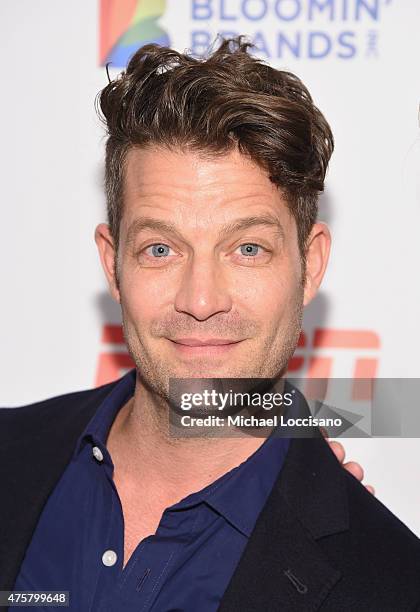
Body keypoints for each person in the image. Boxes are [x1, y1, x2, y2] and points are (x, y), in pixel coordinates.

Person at [1, 36, 419, 612]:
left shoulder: (392, 584)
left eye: (247, 248)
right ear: (112, 263)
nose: (201, 300)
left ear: (310, 264)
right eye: (160, 249)